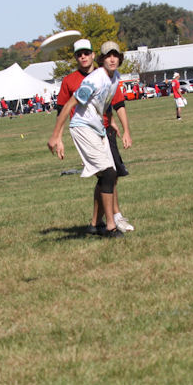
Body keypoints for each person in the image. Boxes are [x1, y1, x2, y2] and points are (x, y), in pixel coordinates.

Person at [47, 41, 130, 238]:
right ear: (101, 59)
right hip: (82, 127)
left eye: (115, 55)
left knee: (109, 175)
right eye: (108, 56)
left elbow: (105, 103)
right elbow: (69, 105)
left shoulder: (115, 77)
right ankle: (110, 226)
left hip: (98, 128)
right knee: (108, 173)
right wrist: (56, 136)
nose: (112, 59)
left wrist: (112, 122)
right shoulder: (95, 79)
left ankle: (96, 224)